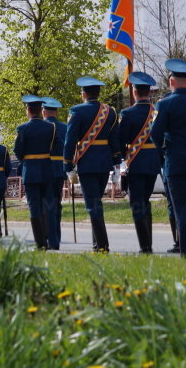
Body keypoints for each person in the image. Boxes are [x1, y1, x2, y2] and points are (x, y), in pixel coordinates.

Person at [150, 59, 186, 259]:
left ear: (171, 82)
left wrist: (163, 149)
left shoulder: (164, 103)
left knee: (181, 209)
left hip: (176, 162)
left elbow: (155, 134)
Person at [63, 77, 121, 253]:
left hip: (87, 163)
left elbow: (70, 140)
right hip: (104, 162)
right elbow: (114, 139)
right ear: (98, 93)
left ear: (83, 94)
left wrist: (67, 165)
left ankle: (102, 246)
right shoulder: (110, 111)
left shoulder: (76, 111)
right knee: (97, 202)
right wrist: (117, 163)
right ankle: (97, 245)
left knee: (93, 204)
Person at [118, 72, 161, 254]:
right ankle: (148, 242)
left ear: (135, 92)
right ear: (149, 92)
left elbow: (122, 140)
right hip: (153, 163)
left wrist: (123, 159)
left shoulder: (127, 113)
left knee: (137, 204)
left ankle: (145, 247)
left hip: (135, 163)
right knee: (145, 201)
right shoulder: (157, 111)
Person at [14, 95, 57, 250]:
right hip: (46, 168)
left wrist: (26, 160)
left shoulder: (23, 128)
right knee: (46, 205)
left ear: (28, 110)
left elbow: (17, 150)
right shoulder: (50, 127)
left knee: (33, 206)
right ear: (40, 110)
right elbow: (50, 146)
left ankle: (40, 243)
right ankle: (47, 237)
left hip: (30, 170)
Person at [41, 97, 67, 250]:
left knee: (47, 204)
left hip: (46, 168)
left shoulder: (42, 126)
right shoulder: (64, 127)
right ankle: (56, 236)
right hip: (60, 169)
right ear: (56, 112)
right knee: (56, 203)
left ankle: (51, 239)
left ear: (43, 112)